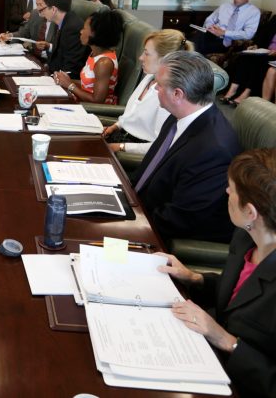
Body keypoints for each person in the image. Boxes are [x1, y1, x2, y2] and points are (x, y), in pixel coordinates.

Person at [158, 149, 276, 398]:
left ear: (251, 212)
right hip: (201, 354)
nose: (226, 193)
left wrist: (226, 340)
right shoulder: (246, 236)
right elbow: (237, 297)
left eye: (231, 189)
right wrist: (194, 277)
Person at [131, 51, 241, 242]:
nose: (155, 88)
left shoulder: (214, 150)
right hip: (140, 208)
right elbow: (149, 172)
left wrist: (128, 224)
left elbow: (179, 220)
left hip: (158, 235)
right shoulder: (179, 116)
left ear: (177, 94)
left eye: (160, 85)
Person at [103, 30, 193, 154]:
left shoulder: (168, 95)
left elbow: (159, 146)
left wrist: (120, 147)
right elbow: (133, 115)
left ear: (165, 59)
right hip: (120, 138)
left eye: (146, 54)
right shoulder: (149, 77)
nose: (140, 58)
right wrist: (115, 126)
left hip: (132, 152)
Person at [53, 10, 123, 103]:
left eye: (84, 28)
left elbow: (97, 100)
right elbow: (87, 85)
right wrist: (65, 80)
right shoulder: (94, 54)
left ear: (94, 33)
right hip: (82, 102)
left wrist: (70, 85)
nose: (81, 32)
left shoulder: (104, 63)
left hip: (92, 110)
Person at [194, 0, 260, 56]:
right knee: (197, 36)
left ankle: (193, 59)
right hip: (212, 35)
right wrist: (211, 27)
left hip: (228, 42)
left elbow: (248, 34)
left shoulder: (254, 12)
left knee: (197, 43)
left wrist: (224, 32)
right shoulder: (225, 6)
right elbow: (209, 19)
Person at [35, 0, 88, 76]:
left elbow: (70, 67)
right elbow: (59, 53)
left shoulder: (72, 27)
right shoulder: (60, 21)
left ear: (53, 9)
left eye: (43, 8)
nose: (41, 12)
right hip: (54, 72)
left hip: (67, 80)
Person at [219, 30, 276, 107]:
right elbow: (263, 35)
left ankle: (246, 93)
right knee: (246, 56)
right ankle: (232, 90)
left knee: (260, 61)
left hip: (273, 57)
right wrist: (256, 46)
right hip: (266, 51)